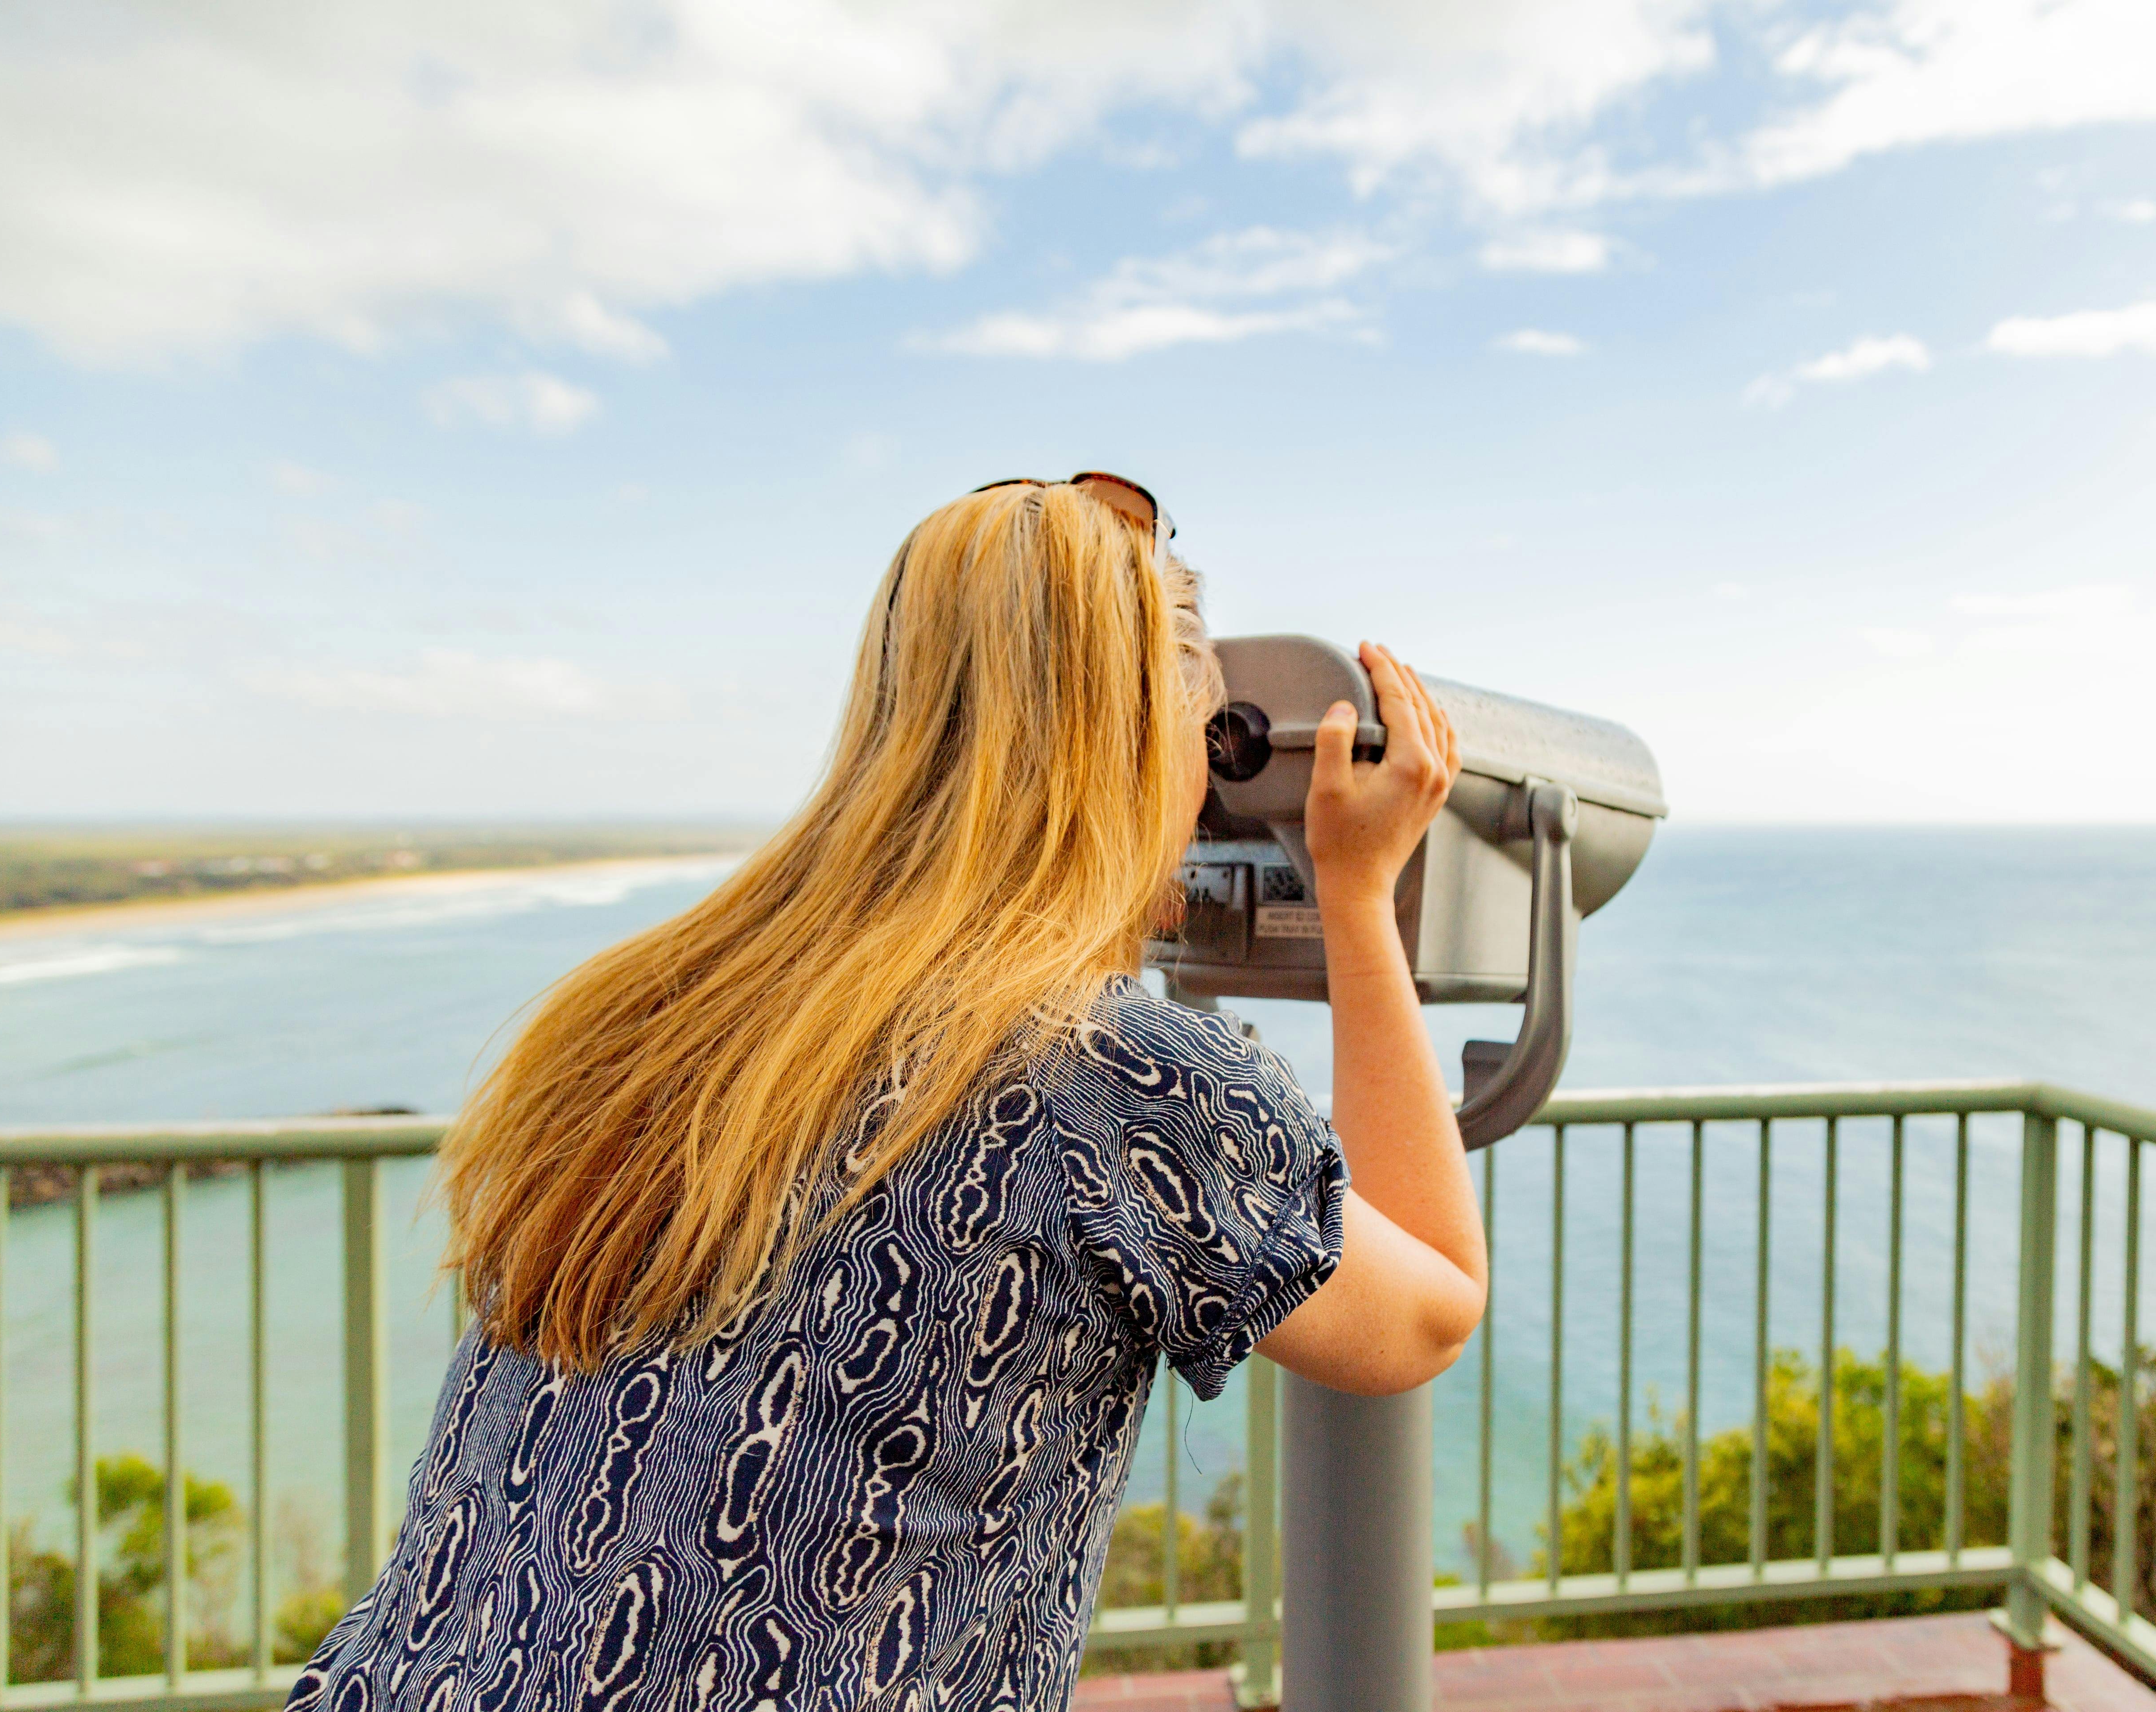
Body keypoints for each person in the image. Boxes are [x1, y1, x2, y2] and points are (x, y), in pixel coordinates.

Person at [286, 474, 1488, 1710]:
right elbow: (1433, 1311)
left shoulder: (640, 1010)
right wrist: (1356, 894)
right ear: (1138, 740)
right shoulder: (1116, 1081)